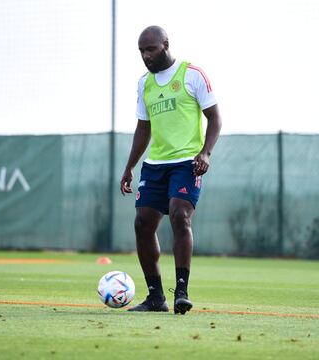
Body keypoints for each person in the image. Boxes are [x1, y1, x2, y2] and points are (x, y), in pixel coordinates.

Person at [120, 25, 222, 314]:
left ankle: (181, 291)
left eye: (150, 49)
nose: (145, 55)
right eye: (141, 51)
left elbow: (215, 118)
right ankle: (155, 297)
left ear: (165, 44)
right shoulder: (144, 84)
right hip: (155, 164)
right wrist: (129, 167)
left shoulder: (192, 75)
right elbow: (143, 128)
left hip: (187, 162)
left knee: (180, 215)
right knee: (142, 223)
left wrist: (206, 152)